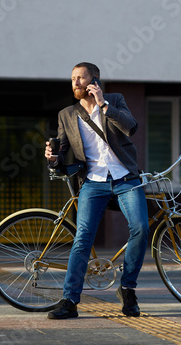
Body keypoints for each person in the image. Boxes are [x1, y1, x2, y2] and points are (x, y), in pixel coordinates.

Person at [44, 62, 149, 319]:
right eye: (72, 79)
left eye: (81, 78)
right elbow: (63, 152)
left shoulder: (114, 100)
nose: (76, 83)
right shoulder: (66, 115)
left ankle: (128, 289)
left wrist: (104, 105)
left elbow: (130, 127)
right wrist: (52, 157)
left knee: (141, 228)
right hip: (93, 182)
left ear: (95, 81)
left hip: (125, 177)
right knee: (82, 239)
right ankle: (70, 300)